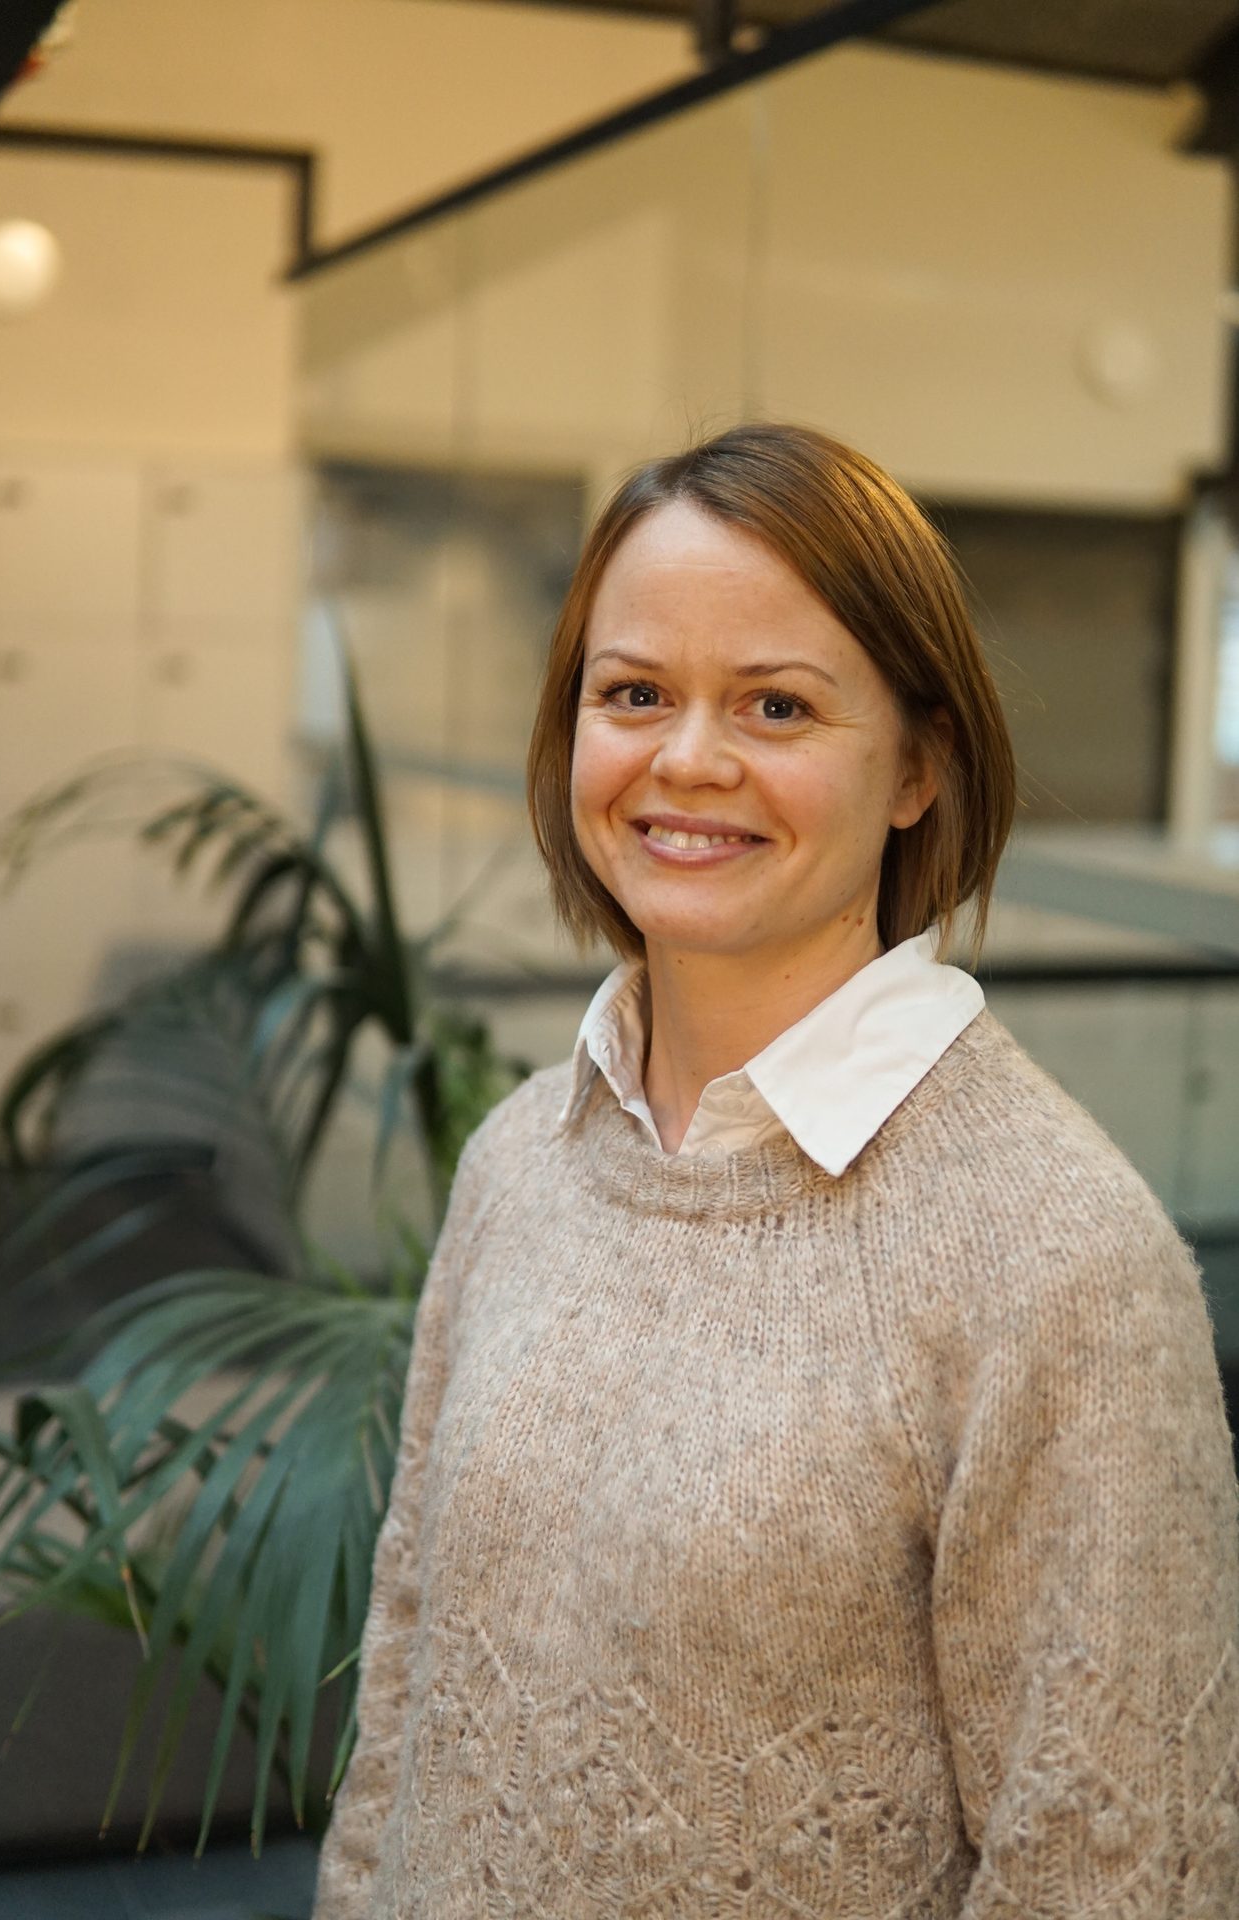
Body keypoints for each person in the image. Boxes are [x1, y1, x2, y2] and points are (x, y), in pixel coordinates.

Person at [312, 423, 1239, 1918]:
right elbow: (410, 1695)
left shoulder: (1058, 1261)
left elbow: (1118, 1876)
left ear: (916, 767)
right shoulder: (518, 1160)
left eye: (776, 704)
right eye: (632, 694)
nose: (687, 759)